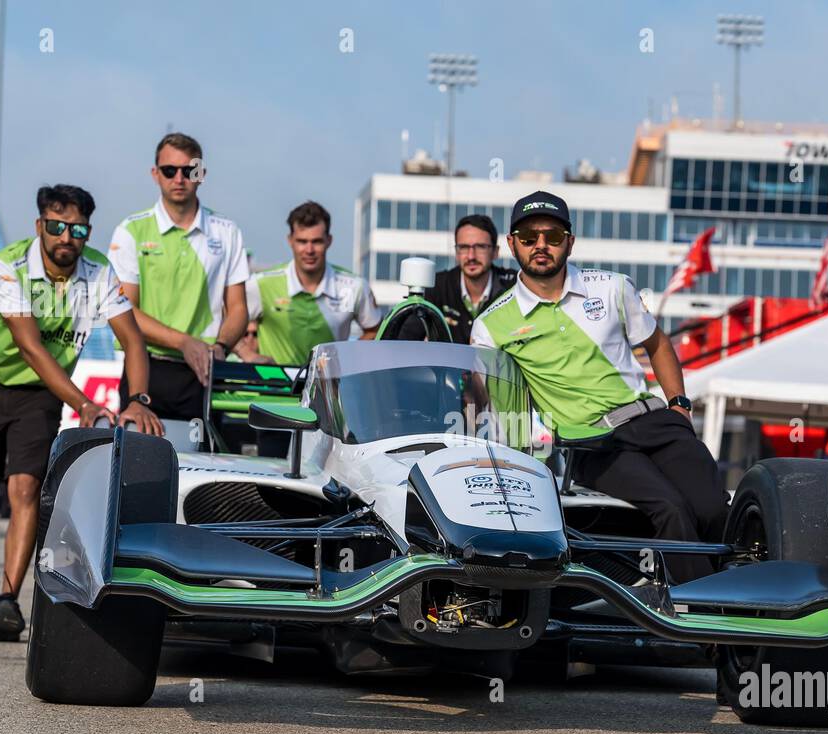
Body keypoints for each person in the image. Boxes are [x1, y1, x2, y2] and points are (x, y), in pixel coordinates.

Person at [471, 190, 725, 583]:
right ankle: (703, 620)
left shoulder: (611, 287)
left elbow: (657, 343)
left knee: (711, 507)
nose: (541, 245)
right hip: (592, 442)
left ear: (569, 242)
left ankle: (737, 594)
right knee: (671, 509)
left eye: (552, 236)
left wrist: (679, 405)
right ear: (511, 244)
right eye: (528, 237)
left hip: (656, 419)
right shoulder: (491, 324)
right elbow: (490, 399)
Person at [0, 184, 162, 640]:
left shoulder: (100, 273)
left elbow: (133, 341)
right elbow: (30, 348)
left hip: (40, 396)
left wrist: (139, 399)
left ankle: (8, 601)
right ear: (40, 227)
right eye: (56, 226)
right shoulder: (8, 265)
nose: (66, 237)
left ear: (87, 233)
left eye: (77, 228)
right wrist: (84, 403)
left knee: (25, 488)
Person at [109, 132, 258, 419]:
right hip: (145, 368)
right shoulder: (130, 230)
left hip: (203, 373)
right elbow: (125, 310)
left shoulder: (226, 231)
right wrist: (183, 342)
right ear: (155, 174)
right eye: (169, 170)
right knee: (140, 463)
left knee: (202, 463)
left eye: (189, 170)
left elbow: (239, 308)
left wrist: (220, 347)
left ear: (201, 174)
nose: (179, 178)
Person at [244, 201, 379, 366]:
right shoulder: (261, 284)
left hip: (328, 390)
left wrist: (348, 359)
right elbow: (225, 320)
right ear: (290, 240)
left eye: (317, 241)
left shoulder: (354, 287)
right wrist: (249, 355)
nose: (309, 250)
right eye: (302, 241)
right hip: (273, 389)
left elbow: (375, 331)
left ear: (329, 241)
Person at [404, 213, 515, 342]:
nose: (471, 256)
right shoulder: (437, 286)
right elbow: (405, 341)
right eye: (463, 247)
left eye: (480, 247)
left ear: (495, 252)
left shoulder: (513, 286)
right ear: (456, 252)